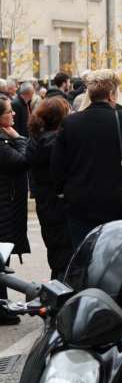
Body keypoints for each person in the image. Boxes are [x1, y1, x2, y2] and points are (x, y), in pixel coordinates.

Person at [51, 70, 122, 247]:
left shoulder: (71, 122)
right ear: (111, 95)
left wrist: (63, 193)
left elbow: (58, 165)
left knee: (85, 253)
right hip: (118, 202)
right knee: (119, 254)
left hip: (81, 203)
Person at [26, 97, 74, 278]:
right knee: (67, 253)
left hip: (45, 201)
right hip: (61, 202)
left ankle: (58, 283)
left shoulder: (34, 140)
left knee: (55, 250)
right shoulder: (59, 143)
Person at [0, 95, 29, 324]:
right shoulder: (2, 144)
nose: (14, 114)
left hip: (6, 209)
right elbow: (23, 160)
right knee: (1, 260)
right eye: (9, 111)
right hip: (3, 210)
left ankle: (3, 306)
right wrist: (18, 138)